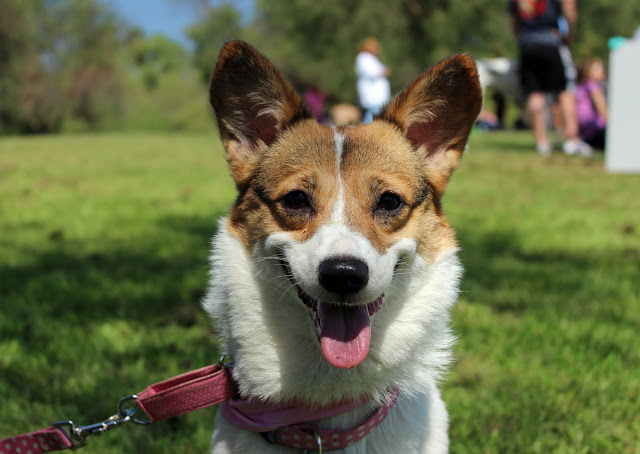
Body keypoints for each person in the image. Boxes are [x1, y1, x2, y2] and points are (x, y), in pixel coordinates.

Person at [508, 0, 592, 156]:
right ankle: (572, 140)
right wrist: (568, 36)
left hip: (526, 44)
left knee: (534, 93)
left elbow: (514, 21)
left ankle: (542, 143)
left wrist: (522, 39)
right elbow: (569, 8)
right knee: (565, 90)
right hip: (551, 41)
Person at [355, 38, 391, 124]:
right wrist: (384, 72)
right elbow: (371, 73)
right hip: (372, 97)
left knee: (375, 116)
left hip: (377, 98)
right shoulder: (363, 57)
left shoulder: (370, 58)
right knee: (371, 118)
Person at [575, 58, 607, 149]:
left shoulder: (580, 86)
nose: (602, 70)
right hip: (596, 131)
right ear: (587, 72)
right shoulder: (593, 86)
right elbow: (602, 109)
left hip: (584, 134)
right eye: (597, 68)